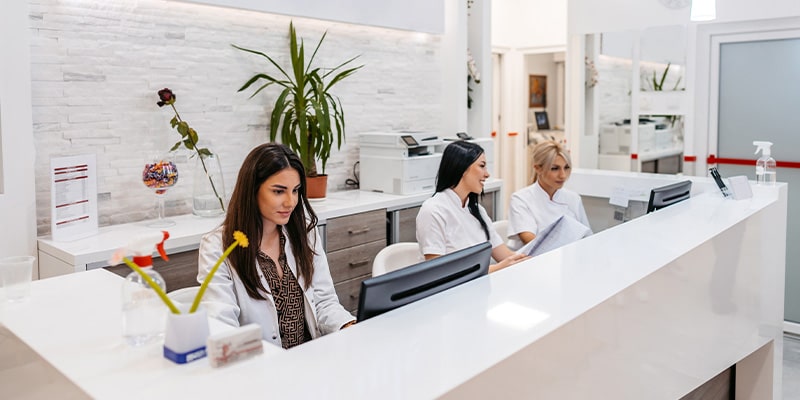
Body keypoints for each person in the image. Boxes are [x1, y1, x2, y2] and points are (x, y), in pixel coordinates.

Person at [198, 143, 355, 349]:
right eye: (279, 191)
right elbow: (221, 326)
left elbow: (324, 302)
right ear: (252, 190)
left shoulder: (304, 233)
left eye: (296, 190)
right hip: (258, 369)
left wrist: (348, 326)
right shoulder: (217, 247)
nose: (290, 202)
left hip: (312, 361)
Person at [416, 140, 528, 273]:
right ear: (462, 168)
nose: (487, 174)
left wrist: (534, 260)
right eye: (482, 166)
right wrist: (496, 268)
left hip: (479, 287)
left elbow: (506, 257)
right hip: (449, 291)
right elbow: (439, 272)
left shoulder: (477, 211)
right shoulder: (433, 210)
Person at [507, 140, 591, 250]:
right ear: (538, 168)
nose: (563, 175)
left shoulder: (573, 198)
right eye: (555, 168)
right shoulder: (521, 199)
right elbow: (532, 242)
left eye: (566, 168)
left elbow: (587, 237)